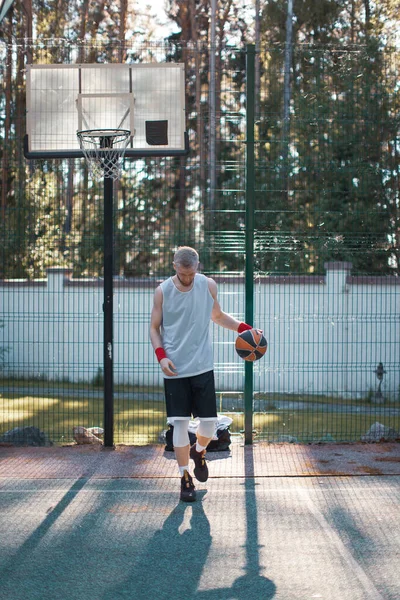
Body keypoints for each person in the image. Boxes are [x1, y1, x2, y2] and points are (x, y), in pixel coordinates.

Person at [150, 246, 255, 502]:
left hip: (203, 366)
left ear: (197, 267)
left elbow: (217, 316)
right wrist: (161, 357)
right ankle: (185, 477)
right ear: (175, 265)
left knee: (209, 425)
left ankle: (199, 452)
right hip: (175, 369)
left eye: (191, 273)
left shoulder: (207, 285)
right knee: (180, 424)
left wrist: (246, 329)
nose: (187, 278)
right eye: (183, 273)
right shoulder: (162, 291)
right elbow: (154, 328)